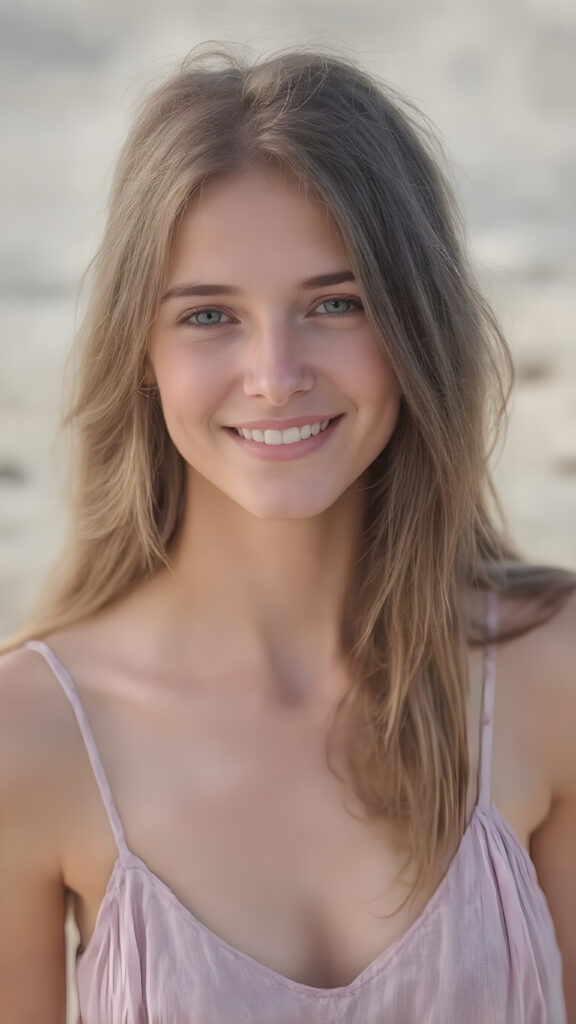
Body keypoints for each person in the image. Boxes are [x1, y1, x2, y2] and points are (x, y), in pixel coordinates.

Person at [0, 45, 574, 1024]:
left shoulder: (545, 669)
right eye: (211, 315)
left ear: (413, 323)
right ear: (142, 354)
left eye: (335, 303)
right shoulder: (33, 736)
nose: (275, 372)